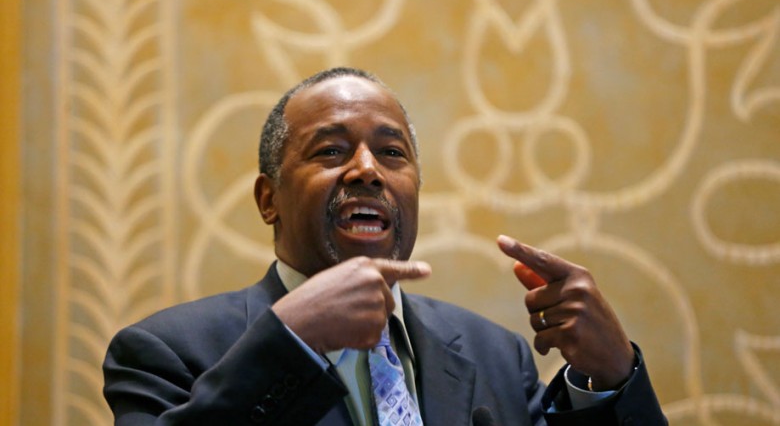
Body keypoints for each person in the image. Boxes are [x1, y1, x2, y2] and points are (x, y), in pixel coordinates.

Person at [103, 67, 667, 425]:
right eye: (330, 151)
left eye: (392, 154)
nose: (367, 171)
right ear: (268, 199)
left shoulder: (496, 356)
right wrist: (289, 341)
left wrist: (609, 379)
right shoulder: (164, 352)